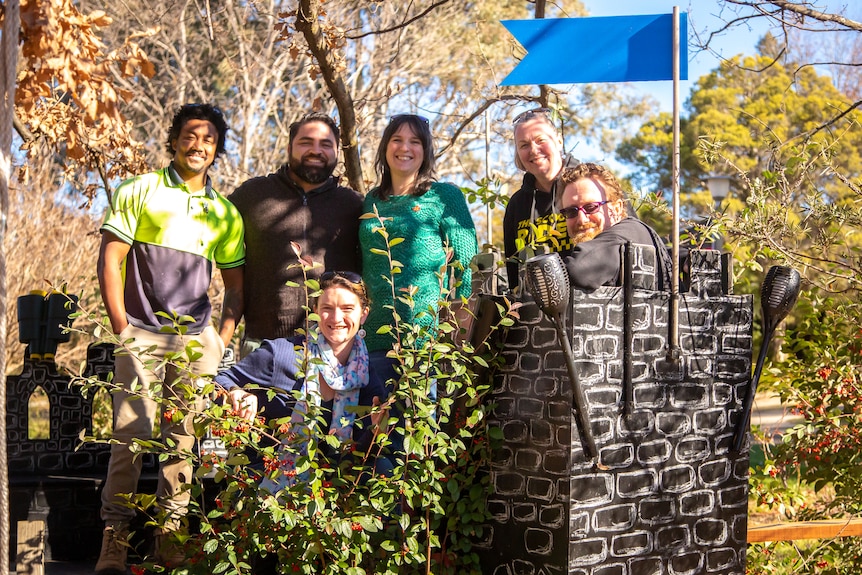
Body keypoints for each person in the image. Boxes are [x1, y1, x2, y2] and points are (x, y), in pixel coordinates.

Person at [95, 103, 245, 575]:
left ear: (217, 149)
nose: (197, 145)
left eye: (208, 139)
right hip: (139, 333)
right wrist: (122, 328)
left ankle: (170, 542)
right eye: (189, 136)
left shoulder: (225, 213)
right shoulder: (139, 189)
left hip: (194, 342)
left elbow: (236, 286)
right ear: (174, 139)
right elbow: (111, 260)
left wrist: (219, 340)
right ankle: (114, 544)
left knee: (182, 441)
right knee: (131, 438)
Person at [213, 271, 391, 485]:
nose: (336, 318)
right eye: (327, 308)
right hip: (267, 481)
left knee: (384, 470)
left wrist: (375, 433)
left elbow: (360, 455)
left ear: (363, 314)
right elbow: (219, 381)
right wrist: (236, 392)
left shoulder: (366, 374)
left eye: (347, 309)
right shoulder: (281, 355)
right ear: (315, 311)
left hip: (333, 485)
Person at [358, 114, 478, 399]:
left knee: (417, 430)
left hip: (424, 339)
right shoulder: (371, 199)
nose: (405, 147)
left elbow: (468, 265)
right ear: (385, 148)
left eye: (414, 141)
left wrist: (458, 327)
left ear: (425, 151)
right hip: (373, 336)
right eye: (397, 140)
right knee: (375, 431)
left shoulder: (444, 196)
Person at [229, 112, 364, 356]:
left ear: (337, 152)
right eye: (306, 142)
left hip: (334, 347)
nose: (316, 150)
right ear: (290, 147)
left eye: (325, 144)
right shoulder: (252, 196)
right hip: (261, 344)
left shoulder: (354, 206)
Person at [558, 162, 672, 291]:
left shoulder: (630, 232)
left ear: (616, 208)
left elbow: (577, 269)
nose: (581, 219)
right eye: (571, 211)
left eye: (591, 207)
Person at [503, 107, 580, 290]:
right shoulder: (517, 204)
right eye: (524, 145)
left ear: (559, 141)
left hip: (589, 303)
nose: (534, 150)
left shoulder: (588, 185)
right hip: (536, 309)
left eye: (540, 140)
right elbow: (513, 272)